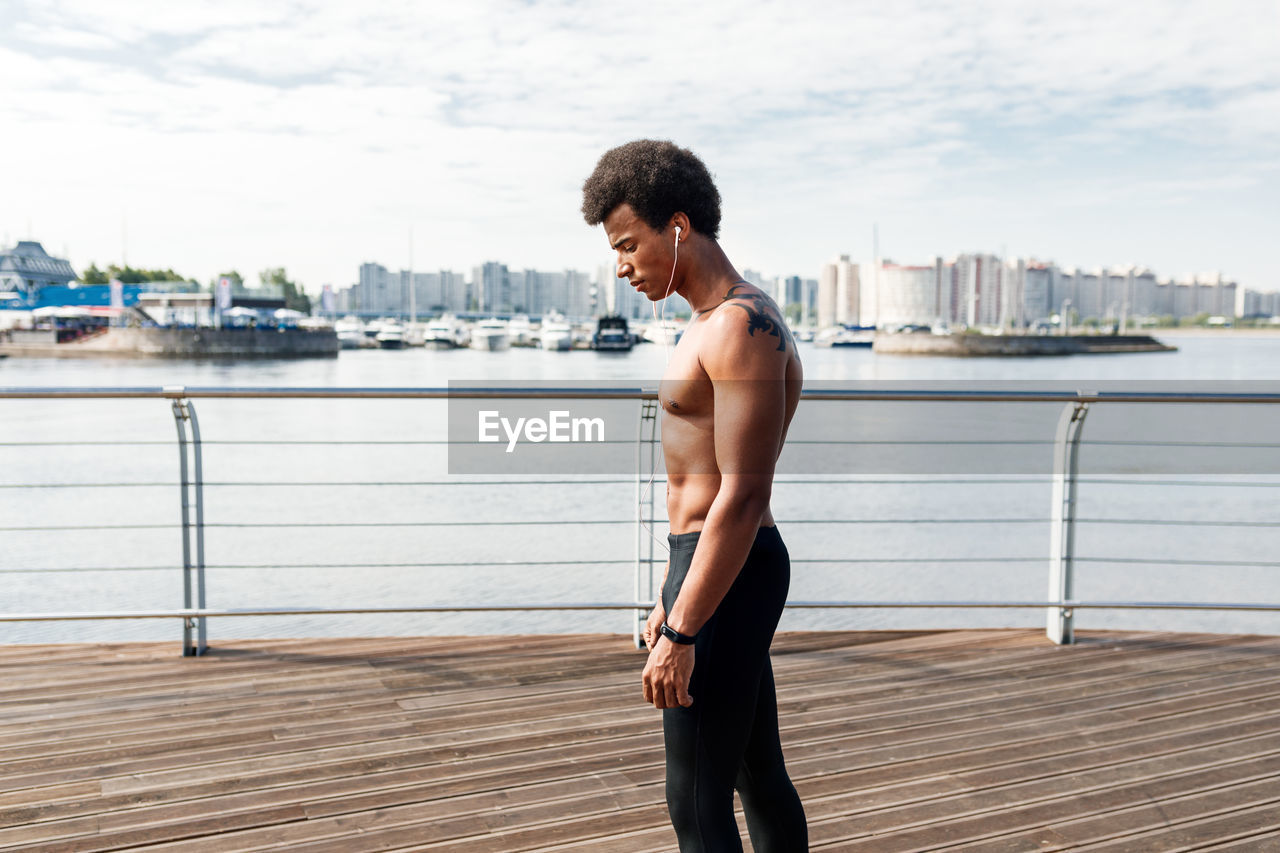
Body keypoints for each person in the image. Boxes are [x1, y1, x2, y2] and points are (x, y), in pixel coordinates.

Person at [582, 140, 808, 852]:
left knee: (695, 796)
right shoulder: (710, 321)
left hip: (731, 564)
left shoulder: (742, 327)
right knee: (753, 768)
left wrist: (682, 632)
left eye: (627, 244)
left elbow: (741, 495)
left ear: (676, 226)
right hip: (711, 565)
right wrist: (673, 596)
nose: (621, 266)